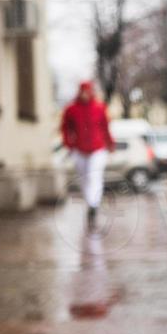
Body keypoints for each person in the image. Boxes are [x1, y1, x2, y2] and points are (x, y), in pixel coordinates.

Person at [60, 80, 111, 228]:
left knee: (95, 176)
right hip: (79, 149)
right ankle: (90, 202)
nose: (85, 94)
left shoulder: (99, 108)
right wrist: (69, 144)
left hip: (97, 149)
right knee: (84, 179)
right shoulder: (71, 109)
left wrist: (110, 143)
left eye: (87, 91)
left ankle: (93, 205)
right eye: (83, 91)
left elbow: (105, 128)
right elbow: (65, 128)